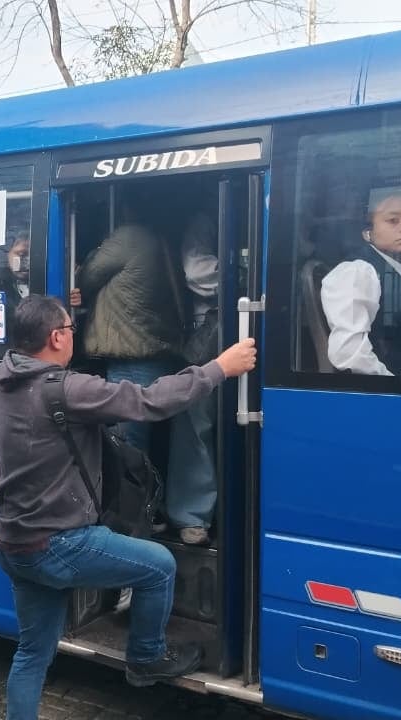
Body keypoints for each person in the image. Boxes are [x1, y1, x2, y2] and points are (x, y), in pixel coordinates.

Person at [0, 295, 256, 719]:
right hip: (57, 541)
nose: (74, 335)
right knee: (159, 565)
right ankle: (145, 658)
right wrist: (219, 367)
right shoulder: (67, 389)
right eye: (72, 328)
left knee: (33, 652)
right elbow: (148, 401)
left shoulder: (4, 385)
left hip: (12, 540)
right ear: (57, 337)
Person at [76, 197, 188, 450]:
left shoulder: (127, 237)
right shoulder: (160, 238)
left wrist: (91, 252)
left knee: (128, 441)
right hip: (156, 350)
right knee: (153, 439)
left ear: (124, 209)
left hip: (132, 355)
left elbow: (86, 277)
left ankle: (135, 490)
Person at [319, 188, 401, 376]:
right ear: (368, 232)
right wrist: (399, 388)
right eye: (393, 220)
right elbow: (349, 354)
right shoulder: (358, 272)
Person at [167, 212, 221, 545]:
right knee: (196, 423)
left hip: (247, 332)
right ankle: (191, 514)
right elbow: (198, 273)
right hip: (208, 337)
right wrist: (249, 273)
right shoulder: (203, 224)